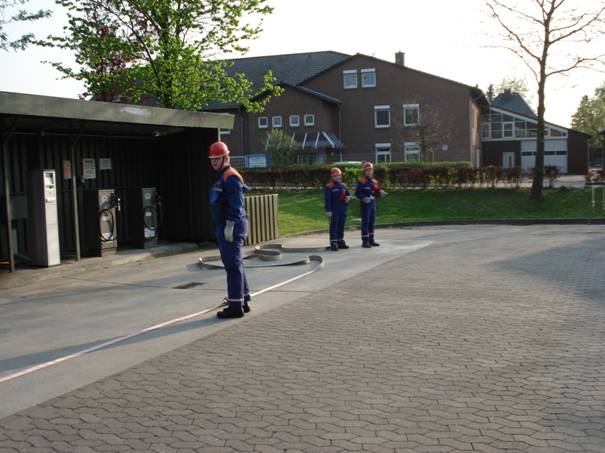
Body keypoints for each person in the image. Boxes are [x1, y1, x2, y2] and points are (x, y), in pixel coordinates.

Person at [208, 141, 251, 319]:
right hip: (226, 224)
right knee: (236, 264)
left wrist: (230, 226)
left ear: (226, 158)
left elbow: (237, 205)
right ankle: (243, 299)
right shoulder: (223, 176)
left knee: (232, 266)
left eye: (217, 159)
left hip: (231, 225)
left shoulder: (230, 177)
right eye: (212, 159)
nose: (214, 162)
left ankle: (235, 306)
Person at [355, 161, 387, 248]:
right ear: (365, 171)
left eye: (370, 170)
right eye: (367, 170)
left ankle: (371, 240)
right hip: (365, 204)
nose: (369, 172)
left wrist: (380, 193)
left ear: (372, 171)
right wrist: (364, 198)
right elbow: (357, 193)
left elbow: (376, 192)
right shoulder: (362, 182)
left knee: (372, 221)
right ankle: (365, 241)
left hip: (372, 204)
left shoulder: (374, 182)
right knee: (366, 222)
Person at [324, 167, 351, 251]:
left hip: (343, 208)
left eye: (338, 175)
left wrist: (347, 199)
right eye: (334, 176)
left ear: (340, 176)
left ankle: (340, 240)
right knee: (334, 226)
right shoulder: (329, 186)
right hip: (334, 209)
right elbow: (327, 199)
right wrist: (328, 210)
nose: (336, 177)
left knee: (341, 225)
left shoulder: (343, 186)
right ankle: (333, 242)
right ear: (332, 177)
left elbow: (347, 195)